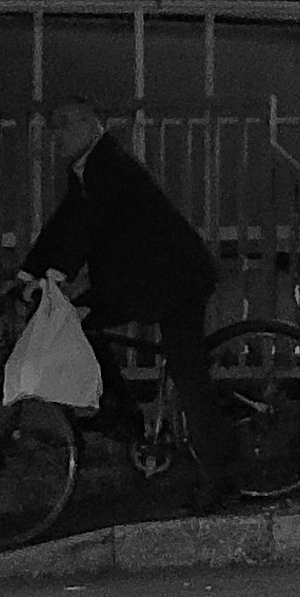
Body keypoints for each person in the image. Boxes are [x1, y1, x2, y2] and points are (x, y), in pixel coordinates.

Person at [12, 98, 223, 502]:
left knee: (189, 376)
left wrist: (55, 276)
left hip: (175, 279)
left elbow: (86, 229)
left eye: (66, 123)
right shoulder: (86, 170)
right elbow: (66, 222)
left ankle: (220, 478)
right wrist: (28, 273)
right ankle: (124, 417)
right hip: (142, 279)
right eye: (54, 127)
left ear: (94, 125)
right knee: (80, 321)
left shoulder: (108, 166)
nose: (58, 134)